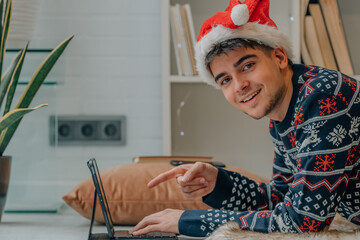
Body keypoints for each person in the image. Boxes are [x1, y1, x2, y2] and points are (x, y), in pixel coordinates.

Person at [131, 0, 360, 237]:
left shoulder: (324, 98)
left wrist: (189, 221)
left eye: (247, 65)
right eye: (225, 80)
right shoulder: (284, 113)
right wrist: (219, 183)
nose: (240, 85)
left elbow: (304, 220)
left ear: (280, 57)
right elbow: (281, 197)